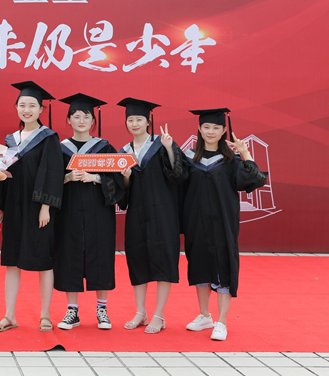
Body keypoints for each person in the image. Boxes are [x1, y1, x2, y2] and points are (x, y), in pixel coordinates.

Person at [181, 108, 268, 341]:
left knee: (224, 266)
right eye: (206, 127)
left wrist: (245, 151)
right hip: (196, 222)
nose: (211, 131)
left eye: (216, 128)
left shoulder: (231, 161)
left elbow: (257, 179)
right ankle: (204, 316)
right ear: (199, 129)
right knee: (199, 266)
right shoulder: (189, 158)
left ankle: (222, 321)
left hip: (223, 223)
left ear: (223, 131)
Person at [0, 81, 63, 333]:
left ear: (41, 109)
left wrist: (46, 207)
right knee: (12, 262)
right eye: (22, 105)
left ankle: (45, 315)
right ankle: (9, 315)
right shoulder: (11, 140)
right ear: (16, 108)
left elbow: (52, 172)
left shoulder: (49, 138)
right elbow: (3, 175)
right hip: (13, 207)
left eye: (32, 105)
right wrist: (2, 210)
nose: (27, 110)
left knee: (44, 261)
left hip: (38, 208)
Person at [53, 93, 124, 331]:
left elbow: (118, 183)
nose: (81, 121)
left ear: (93, 120)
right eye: (76, 116)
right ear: (69, 120)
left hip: (99, 213)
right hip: (69, 212)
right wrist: (67, 177)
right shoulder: (59, 149)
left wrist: (96, 178)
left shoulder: (105, 148)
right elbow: (48, 180)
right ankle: (72, 311)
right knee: (69, 255)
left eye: (86, 116)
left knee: (101, 254)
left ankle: (102, 310)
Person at [117, 97, 187, 334]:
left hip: (163, 214)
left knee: (164, 260)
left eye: (139, 119)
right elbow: (123, 194)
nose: (134, 124)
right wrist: (126, 177)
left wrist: (169, 148)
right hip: (136, 214)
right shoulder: (123, 153)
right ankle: (140, 312)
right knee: (137, 259)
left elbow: (178, 176)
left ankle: (159, 314)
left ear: (148, 122)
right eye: (130, 119)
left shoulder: (162, 144)